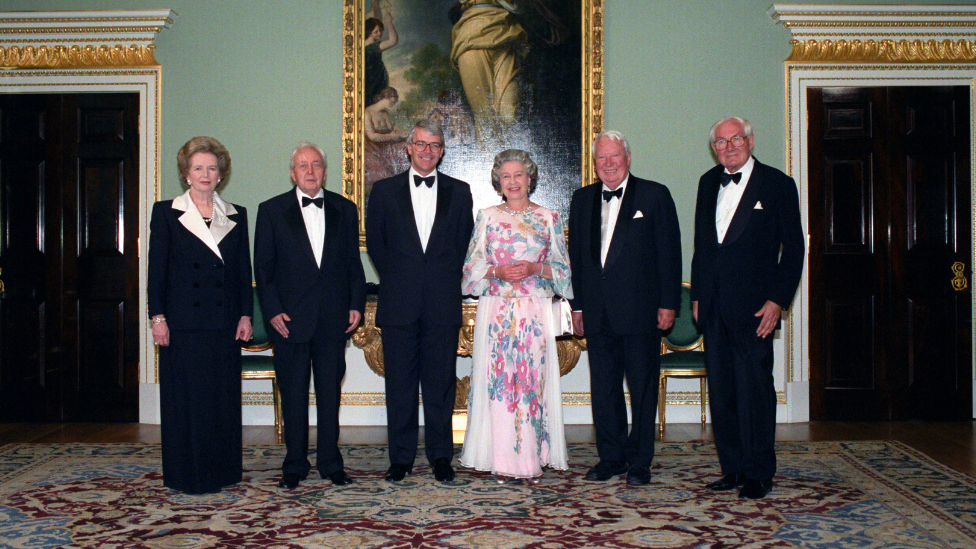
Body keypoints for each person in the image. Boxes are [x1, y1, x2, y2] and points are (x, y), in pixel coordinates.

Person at [690, 116, 804, 500]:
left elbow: (794, 249)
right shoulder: (708, 182)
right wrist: (697, 296)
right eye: (721, 142)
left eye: (735, 139)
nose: (729, 147)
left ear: (750, 141)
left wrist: (778, 301)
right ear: (714, 148)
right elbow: (702, 246)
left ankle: (759, 472)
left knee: (755, 390)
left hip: (757, 310)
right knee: (722, 391)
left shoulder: (777, 184)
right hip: (713, 307)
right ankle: (733, 468)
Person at [567, 130, 682, 486]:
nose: (609, 163)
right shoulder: (582, 199)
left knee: (643, 390)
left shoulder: (654, 195)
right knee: (604, 390)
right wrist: (576, 306)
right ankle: (611, 457)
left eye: (614, 155)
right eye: (602, 157)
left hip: (641, 312)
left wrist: (669, 303)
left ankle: (640, 461)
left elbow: (670, 253)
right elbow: (576, 259)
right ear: (595, 163)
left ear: (628, 158)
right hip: (597, 313)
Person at [365, 119, 474, 484]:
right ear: (408, 147)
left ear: (441, 151)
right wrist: (403, 279)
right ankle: (401, 458)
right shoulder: (383, 191)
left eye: (434, 145)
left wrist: (437, 279)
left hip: (442, 303)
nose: (427, 151)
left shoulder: (460, 192)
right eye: (421, 144)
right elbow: (377, 246)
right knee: (400, 384)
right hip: (399, 302)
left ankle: (441, 456)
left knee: (441, 383)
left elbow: (463, 245)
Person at [253, 142, 366, 489]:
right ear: (293, 173)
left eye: (316, 164)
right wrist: (273, 311)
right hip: (288, 321)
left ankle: (331, 463)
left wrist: (356, 304)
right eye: (303, 165)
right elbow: (263, 269)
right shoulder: (271, 210)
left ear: (324, 171)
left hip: (333, 319)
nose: (310, 171)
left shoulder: (345, 209)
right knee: (294, 395)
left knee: (330, 395)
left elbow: (353, 264)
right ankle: (294, 464)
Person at [148, 136, 253, 494]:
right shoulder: (167, 212)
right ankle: (188, 475)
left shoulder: (236, 214)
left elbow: (242, 272)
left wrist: (245, 315)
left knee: (221, 400)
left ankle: (222, 471)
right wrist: (158, 317)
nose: (205, 174)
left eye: (211, 167)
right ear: (186, 173)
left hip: (224, 324)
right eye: (198, 168)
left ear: (221, 174)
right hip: (183, 325)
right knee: (188, 402)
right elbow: (157, 271)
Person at [460, 149, 572, 484]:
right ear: (498, 181)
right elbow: (469, 272)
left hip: (534, 314)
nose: (513, 182)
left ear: (529, 178)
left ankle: (530, 460)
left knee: (530, 386)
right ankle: (502, 461)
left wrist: (536, 268)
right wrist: (497, 271)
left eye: (519, 175)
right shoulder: (487, 217)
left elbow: (565, 273)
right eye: (506, 176)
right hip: (496, 313)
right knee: (499, 389)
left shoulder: (548, 218)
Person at [365, 11, 398, 109]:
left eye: (380, 30)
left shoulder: (364, 47)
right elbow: (393, 41)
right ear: (369, 33)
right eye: (376, 32)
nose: (379, 33)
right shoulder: (372, 47)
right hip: (375, 82)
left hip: (372, 82)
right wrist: (388, 22)